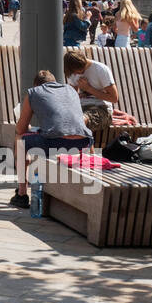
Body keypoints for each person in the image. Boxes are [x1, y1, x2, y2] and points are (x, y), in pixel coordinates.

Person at [10, 70, 91, 209]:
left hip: (55, 141)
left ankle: (22, 194)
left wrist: (27, 128)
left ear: (37, 85)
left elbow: (21, 129)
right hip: (84, 141)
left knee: (20, 140)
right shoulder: (71, 90)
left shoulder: (34, 92)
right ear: (54, 81)